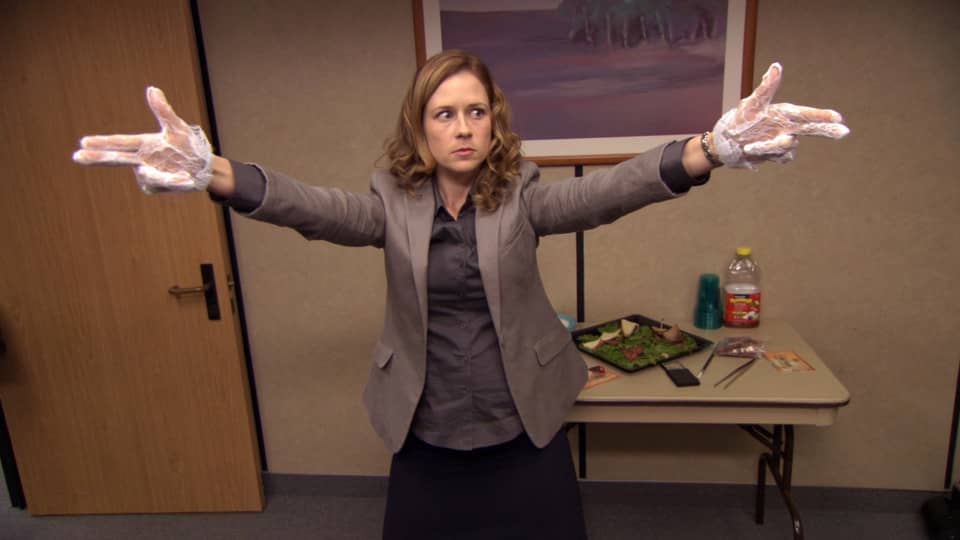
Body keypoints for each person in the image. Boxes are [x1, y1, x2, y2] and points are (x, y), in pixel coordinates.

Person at [72, 50, 848, 539]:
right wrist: (213, 173)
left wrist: (709, 149)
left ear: (493, 122)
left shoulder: (523, 195)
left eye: (476, 111)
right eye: (445, 114)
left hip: (524, 427)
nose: (464, 126)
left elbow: (606, 193)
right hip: (428, 431)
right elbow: (316, 209)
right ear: (422, 130)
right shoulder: (391, 203)